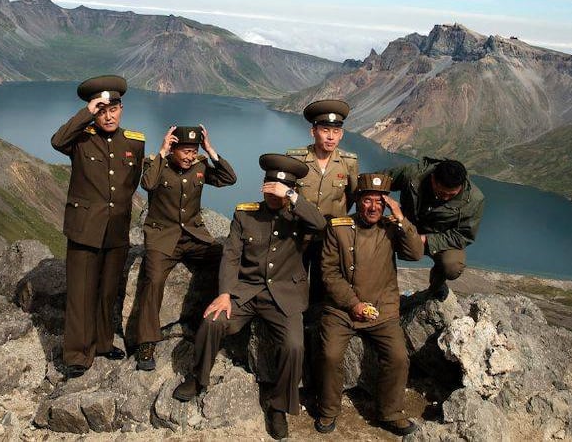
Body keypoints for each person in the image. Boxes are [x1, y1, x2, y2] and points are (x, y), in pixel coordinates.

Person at [172, 154, 326, 441]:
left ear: (290, 191)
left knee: (294, 346)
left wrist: (291, 196)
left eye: (278, 192)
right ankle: (197, 379)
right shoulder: (245, 214)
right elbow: (231, 256)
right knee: (213, 321)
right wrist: (225, 295)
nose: (272, 196)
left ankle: (278, 406)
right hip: (246, 292)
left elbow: (321, 225)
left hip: (284, 296)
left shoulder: (301, 216)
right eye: (268, 188)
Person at [315, 173, 424, 436]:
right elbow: (329, 272)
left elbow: (416, 253)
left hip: (382, 309)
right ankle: (329, 410)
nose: (374, 207)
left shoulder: (391, 227)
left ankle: (391, 413)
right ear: (358, 201)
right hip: (341, 309)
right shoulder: (338, 227)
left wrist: (400, 217)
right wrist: (353, 304)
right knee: (329, 354)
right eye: (367, 201)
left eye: (380, 201)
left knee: (398, 357)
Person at [51, 75, 145, 378]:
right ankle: (78, 354)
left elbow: (131, 185)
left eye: (113, 109)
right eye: (102, 110)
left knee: (106, 291)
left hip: (116, 229)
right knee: (81, 292)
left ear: (121, 108)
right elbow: (57, 140)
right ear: (95, 110)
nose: (108, 116)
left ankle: (103, 342)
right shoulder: (80, 139)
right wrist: (85, 113)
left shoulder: (134, 142)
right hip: (85, 228)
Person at [133, 125, 237, 370]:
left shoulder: (200, 166)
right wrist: (161, 152)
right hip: (163, 237)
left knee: (224, 260)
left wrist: (210, 150)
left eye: (194, 150)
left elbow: (229, 179)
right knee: (154, 280)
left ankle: (212, 324)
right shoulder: (157, 164)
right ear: (173, 148)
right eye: (186, 151)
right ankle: (146, 343)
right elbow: (147, 184)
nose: (190, 156)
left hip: (192, 236)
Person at [286, 99, 358, 304]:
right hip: (298, 236)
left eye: (336, 132)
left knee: (323, 287)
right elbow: (285, 196)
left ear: (341, 134)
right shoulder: (296, 159)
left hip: (330, 238)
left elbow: (352, 196)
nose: (330, 137)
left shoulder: (349, 162)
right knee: (294, 285)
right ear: (313, 131)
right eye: (325, 130)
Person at [382, 157, 484, 300]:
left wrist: (425, 240)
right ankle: (378, 287)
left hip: (439, 237)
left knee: (452, 265)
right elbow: (379, 180)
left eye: (452, 195)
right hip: (404, 225)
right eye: (442, 193)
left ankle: (435, 288)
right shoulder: (414, 174)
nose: (446, 198)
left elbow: (463, 236)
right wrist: (382, 201)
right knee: (374, 241)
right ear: (432, 179)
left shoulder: (474, 199)